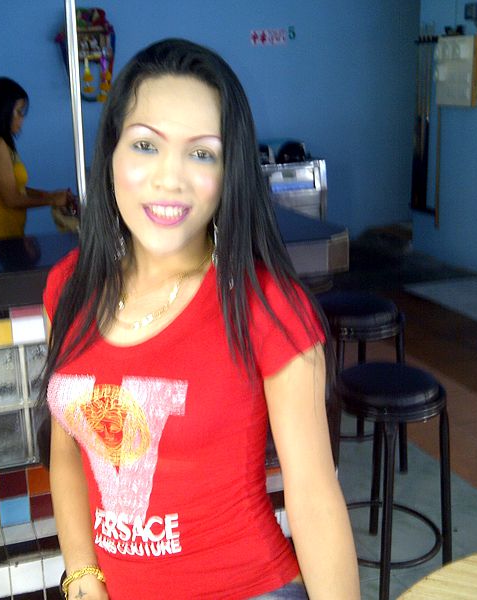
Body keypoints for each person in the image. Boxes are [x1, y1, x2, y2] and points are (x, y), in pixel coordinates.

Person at [40, 39, 360, 600]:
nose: (171, 179)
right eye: (146, 145)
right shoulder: (70, 287)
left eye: (203, 154)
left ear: (229, 172)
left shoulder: (267, 305)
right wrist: (82, 578)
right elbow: (67, 449)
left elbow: (314, 497)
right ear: (111, 153)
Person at [0, 77, 72, 240]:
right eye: (19, 112)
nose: (22, 118)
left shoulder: (3, 143)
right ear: (3, 111)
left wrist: (48, 195)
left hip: (8, 233)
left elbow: (16, 188)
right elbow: (12, 199)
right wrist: (51, 200)